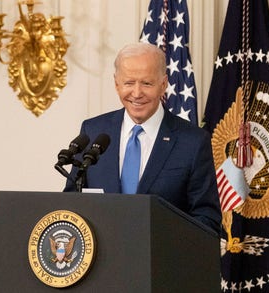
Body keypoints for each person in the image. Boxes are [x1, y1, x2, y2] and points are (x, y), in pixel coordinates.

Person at [64, 42, 221, 234]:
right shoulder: (93, 131)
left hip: (162, 259)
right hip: (103, 259)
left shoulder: (193, 142)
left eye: (147, 83)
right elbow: (70, 204)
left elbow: (207, 219)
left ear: (163, 84)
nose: (137, 93)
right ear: (116, 84)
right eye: (129, 83)